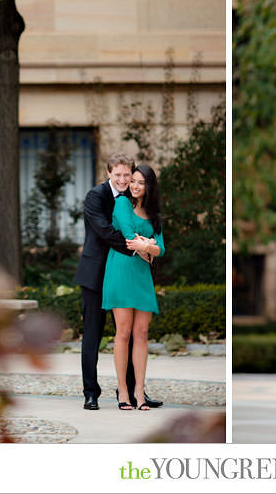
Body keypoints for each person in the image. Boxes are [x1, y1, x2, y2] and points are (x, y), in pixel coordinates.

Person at [73, 153, 155, 411]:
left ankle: (132, 392)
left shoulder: (134, 199)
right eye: (117, 175)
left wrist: (147, 244)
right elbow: (105, 232)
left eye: (126, 175)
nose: (122, 179)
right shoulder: (95, 196)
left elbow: (146, 226)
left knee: (129, 334)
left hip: (123, 275)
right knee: (93, 335)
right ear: (109, 173)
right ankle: (90, 393)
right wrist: (140, 247)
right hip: (96, 274)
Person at [102, 164, 164, 410]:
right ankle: (123, 392)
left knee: (142, 334)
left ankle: (140, 392)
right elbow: (129, 239)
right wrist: (149, 245)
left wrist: (148, 246)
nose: (136, 186)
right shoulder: (122, 204)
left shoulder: (154, 213)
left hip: (142, 276)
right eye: (133, 181)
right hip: (121, 270)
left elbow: (162, 247)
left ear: (149, 186)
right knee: (123, 333)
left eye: (141, 182)